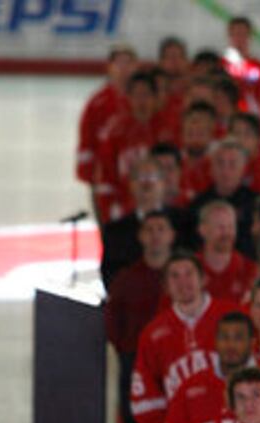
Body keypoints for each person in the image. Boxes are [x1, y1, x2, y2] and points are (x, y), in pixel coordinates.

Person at [104, 210, 175, 423]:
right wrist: (131, 353)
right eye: (151, 229)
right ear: (142, 237)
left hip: (173, 366)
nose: (157, 235)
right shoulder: (128, 279)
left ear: (171, 236)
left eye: (162, 229)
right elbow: (112, 323)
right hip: (136, 365)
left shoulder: (182, 277)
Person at [130, 252, 237, 423]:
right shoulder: (153, 334)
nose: (183, 282)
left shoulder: (232, 316)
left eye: (189, 273)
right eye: (175, 276)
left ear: (203, 278)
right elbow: (144, 399)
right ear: (166, 286)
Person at [75, 43, 137, 223]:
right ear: (109, 67)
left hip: (137, 180)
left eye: (128, 63)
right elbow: (86, 141)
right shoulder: (97, 103)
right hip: (105, 181)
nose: (124, 68)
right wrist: (89, 175)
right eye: (119, 63)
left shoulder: (144, 100)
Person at [95, 71, 168, 223]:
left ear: (155, 97)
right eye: (136, 95)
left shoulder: (167, 129)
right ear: (128, 98)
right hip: (125, 209)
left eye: (146, 94)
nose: (141, 101)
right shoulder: (115, 131)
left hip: (162, 207)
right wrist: (109, 209)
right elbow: (106, 173)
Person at [100, 155, 168, 289]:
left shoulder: (185, 223)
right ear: (131, 184)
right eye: (141, 177)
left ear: (163, 183)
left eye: (152, 177)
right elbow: (110, 276)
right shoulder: (115, 231)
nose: (147, 184)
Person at [189, 138, 257, 258]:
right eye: (220, 163)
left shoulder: (255, 204)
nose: (225, 171)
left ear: (243, 169)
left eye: (232, 164)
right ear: (211, 168)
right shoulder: (198, 204)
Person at [197, 200, 256, 302]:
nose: (226, 233)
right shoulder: (190, 270)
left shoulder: (250, 270)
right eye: (220, 227)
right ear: (203, 230)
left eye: (231, 227)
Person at [223, 16, 260, 129]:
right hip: (225, 124)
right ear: (229, 36)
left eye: (243, 34)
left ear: (250, 36)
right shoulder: (220, 66)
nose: (239, 39)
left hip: (252, 123)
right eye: (236, 34)